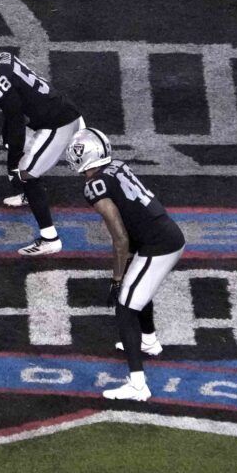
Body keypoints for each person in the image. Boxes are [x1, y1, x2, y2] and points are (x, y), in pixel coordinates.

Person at [67, 128, 185, 402]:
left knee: (124, 307)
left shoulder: (95, 185)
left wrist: (116, 278)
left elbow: (119, 238)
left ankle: (137, 385)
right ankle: (149, 341)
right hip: (162, 235)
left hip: (158, 245)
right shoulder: (117, 166)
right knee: (137, 293)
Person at [0, 30, 86, 256]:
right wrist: (10, 143)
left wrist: (13, 162)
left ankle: (50, 238)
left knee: (25, 171)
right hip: (55, 113)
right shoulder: (3, 60)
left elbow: (15, 119)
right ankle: (27, 193)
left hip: (58, 124)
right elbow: (13, 113)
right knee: (13, 145)